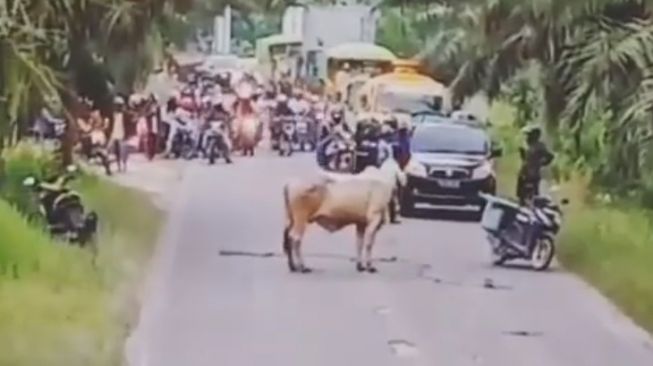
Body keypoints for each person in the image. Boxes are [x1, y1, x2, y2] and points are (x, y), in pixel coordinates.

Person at [517, 125, 554, 205]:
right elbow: (525, 159)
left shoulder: (539, 146)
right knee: (522, 194)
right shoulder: (528, 145)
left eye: (529, 135)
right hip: (526, 172)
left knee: (534, 195)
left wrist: (541, 163)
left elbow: (550, 156)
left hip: (532, 173)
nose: (527, 137)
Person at [109, 96, 129, 172]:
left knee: (123, 151)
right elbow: (112, 125)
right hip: (115, 134)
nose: (116, 107)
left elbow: (128, 124)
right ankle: (119, 166)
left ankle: (124, 165)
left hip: (122, 134)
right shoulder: (114, 114)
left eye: (118, 105)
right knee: (117, 151)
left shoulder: (125, 114)